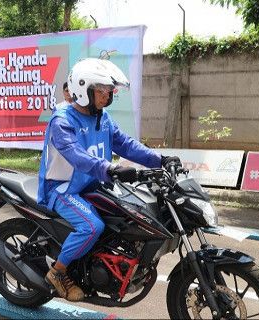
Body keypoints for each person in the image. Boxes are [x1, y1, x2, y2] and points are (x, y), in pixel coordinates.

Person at [37, 58, 180, 301]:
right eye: (101, 91)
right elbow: (77, 156)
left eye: (109, 91)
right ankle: (58, 272)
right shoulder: (62, 121)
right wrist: (110, 169)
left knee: (131, 213)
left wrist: (161, 159)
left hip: (93, 185)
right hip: (63, 189)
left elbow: (126, 144)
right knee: (92, 226)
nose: (106, 96)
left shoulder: (103, 118)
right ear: (83, 90)